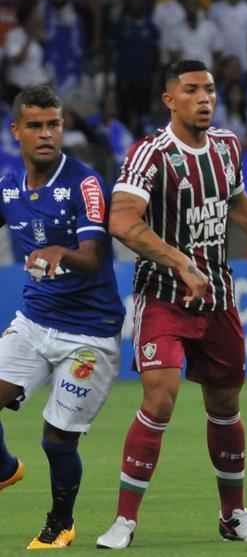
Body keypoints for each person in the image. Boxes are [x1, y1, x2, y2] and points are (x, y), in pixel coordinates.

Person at [95, 60, 247, 549]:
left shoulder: (226, 147)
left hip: (218, 297)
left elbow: (238, 204)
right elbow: (122, 222)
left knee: (224, 405)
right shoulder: (149, 155)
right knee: (160, 397)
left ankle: (233, 515)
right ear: (169, 99)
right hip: (163, 296)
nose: (204, 98)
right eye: (192, 90)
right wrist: (180, 262)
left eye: (211, 90)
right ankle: (124, 520)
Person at [0, 86, 125, 549]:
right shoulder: (9, 186)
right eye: (35, 125)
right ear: (17, 131)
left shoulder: (85, 184)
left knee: (57, 439)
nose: (46, 134)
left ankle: (60, 523)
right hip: (34, 322)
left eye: (53, 124)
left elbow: (92, 257)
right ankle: (5, 469)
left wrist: (61, 253)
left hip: (88, 334)